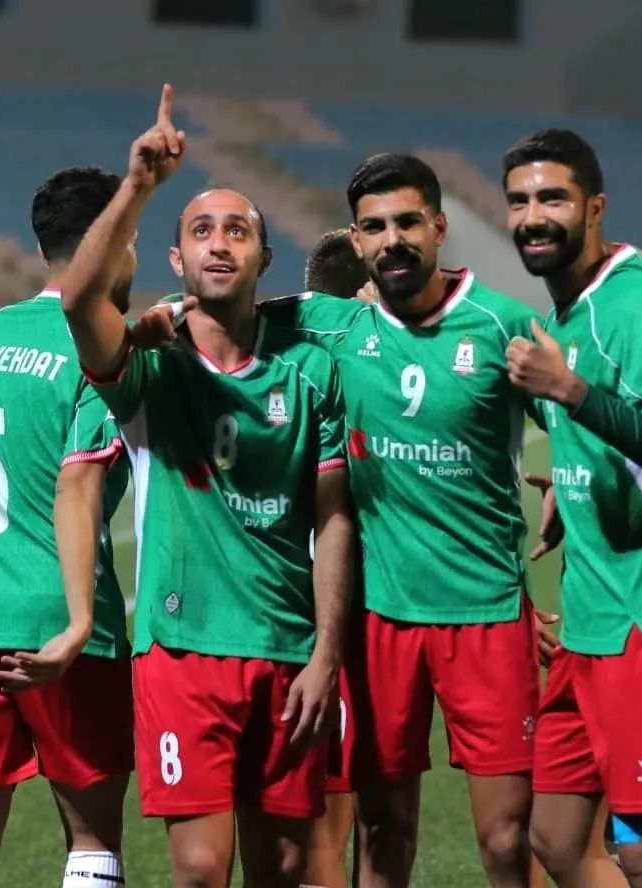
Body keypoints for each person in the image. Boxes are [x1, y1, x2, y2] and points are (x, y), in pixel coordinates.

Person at [59, 86, 355, 888]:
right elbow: (80, 302)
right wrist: (138, 185)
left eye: (237, 230)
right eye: (200, 231)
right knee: (197, 867)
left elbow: (333, 521)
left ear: (263, 258)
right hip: (184, 652)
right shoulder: (150, 368)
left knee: (285, 865)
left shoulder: (311, 372)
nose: (219, 243)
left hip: (287, 648)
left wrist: (327, 654)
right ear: (176, 261)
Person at [258, 153, 546, 888]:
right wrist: (166, 316)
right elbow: (222, 319)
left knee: (508, 840)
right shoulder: (333, 326)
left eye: (408, 222)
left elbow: (583, 423)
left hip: (487, 614)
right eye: (375, 227)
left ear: (440, 227)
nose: (394, 240)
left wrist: (571, 492)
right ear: (356, 241)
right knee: (384, 830)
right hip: (380, 620)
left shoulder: (505, 326)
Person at [500, 129, 642, 888]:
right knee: (557, 838)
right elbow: (612, 438)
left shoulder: (633, 305)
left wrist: (571, 393)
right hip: (592, 622)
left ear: (595, 207)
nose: (534, 216)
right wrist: (574, 485)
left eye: (553, 198)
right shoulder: (570, 310)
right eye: (520, 201)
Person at [0, 167, 136, 888]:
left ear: (42, 249)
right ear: (118, 244)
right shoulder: (102, 347)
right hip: (60, 620)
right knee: (93, 844)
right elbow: (80, 480)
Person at [301, 227, 369, 888]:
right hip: (355, 601)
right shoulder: (370, 348)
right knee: (351, 812)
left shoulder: (276, 340)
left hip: (280, 597)